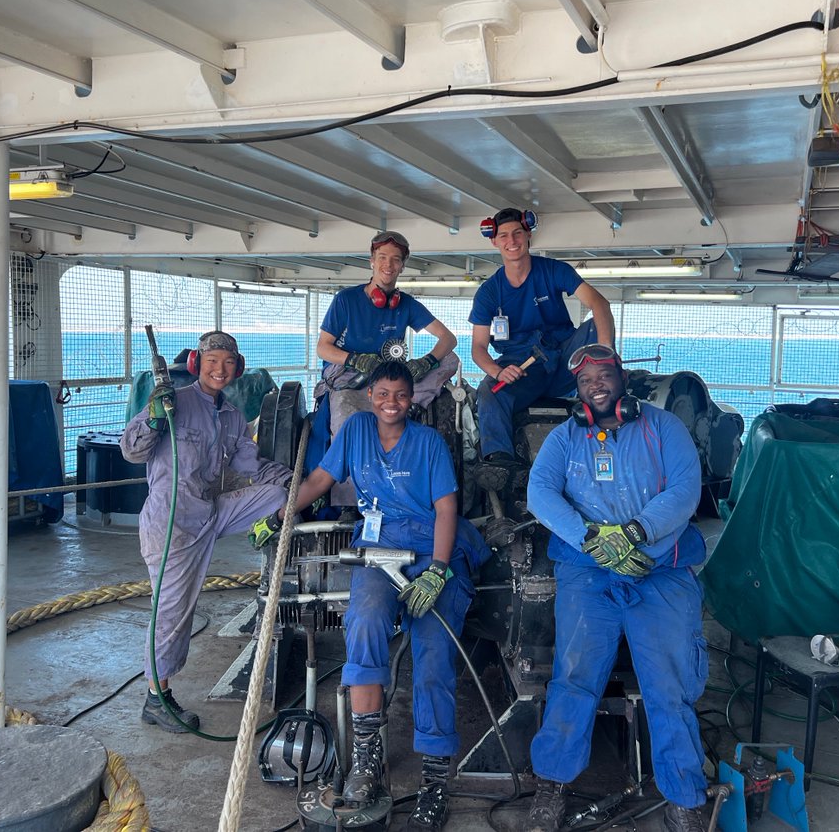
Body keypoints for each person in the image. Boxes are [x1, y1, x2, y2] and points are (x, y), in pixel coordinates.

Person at [251, 361, 489, 832]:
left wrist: (438, 572)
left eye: (400, 394)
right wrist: (281, 514)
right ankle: (366, 758)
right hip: (378, 550)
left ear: (411, 398)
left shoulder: (429, 443)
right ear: (370, 394)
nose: (391, 403)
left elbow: (447, 509)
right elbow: (320, 480)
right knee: (364, 623)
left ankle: (435, 781)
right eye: (382, 393)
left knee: (434, 653)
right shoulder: (357, 428)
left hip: (428, 546)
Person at [524, 344, 708, 832]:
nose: (597, 385)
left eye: (604, 375)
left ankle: (685, 795)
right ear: (579, 393)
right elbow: (539, 492)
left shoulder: (665, 429)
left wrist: (636, 532)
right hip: (589, 572)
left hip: (661, 569)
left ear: (623, 380)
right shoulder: (566, 439)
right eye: (586, 381)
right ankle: (552, 782)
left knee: (669, 685)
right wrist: (588, 536)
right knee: (574, 677)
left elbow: (686, 490)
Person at [120, 331, 292, 733]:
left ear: (238, 368)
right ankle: (156, 698)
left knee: (274, 495)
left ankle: (270, 525)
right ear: (198, 364)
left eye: (228, 363)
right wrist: (153, 417)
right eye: (212, 361)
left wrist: (298, 481)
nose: (220, 369)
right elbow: (131, 450)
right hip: (172, 526)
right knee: (173, 614)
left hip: (210, 513)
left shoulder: (232, 416)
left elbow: (252, 467)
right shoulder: (173, 403)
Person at [314, 230, 460, 507]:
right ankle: (348, 503)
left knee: (450, 359)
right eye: (382, 257)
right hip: (350, 377)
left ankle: (412, 403)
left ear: (402, 265)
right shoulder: (346, 300)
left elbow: (448, 339)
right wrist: (354, 359)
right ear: (371, 261)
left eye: (395, 259)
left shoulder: (406, 304)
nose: (388, 265)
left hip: (391, 378)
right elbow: (323, 347)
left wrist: (425, 362)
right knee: (347, 425)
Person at [469, 208, 614, 467]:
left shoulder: (553, 270)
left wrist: (606, 354)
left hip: (566, 360)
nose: (511, 241)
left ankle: (613, 419)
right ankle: (501, 463)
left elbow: (599, 304)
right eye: (503, 236)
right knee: (488, 390)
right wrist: (498, 372)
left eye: (517, 233)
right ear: (494, 241)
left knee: (595, 326)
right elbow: (478, 348)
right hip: (522, 369)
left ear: (528, 236)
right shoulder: (488, 292)